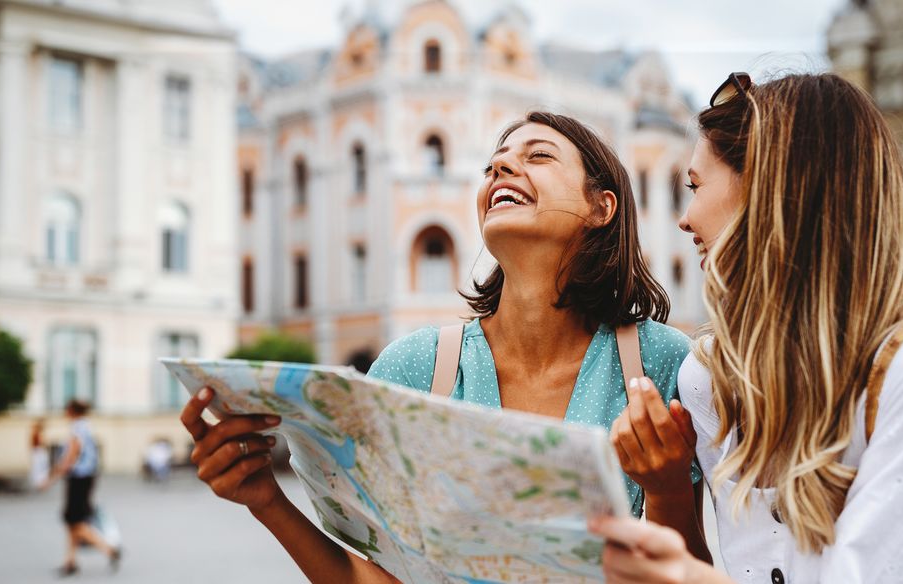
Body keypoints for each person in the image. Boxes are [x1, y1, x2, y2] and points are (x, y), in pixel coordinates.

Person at [180, 111, 705, 583]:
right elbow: (379, 578)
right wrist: (267, 501)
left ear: (601, 207)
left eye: (537, 156)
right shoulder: (416, 365)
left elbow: (698, 571)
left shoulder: (662, 362)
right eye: (493, 166)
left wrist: (668, 490)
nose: (500, 170)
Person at [592, 72, 903, 583]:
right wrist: (667, 490)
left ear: (772, 190)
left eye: (695, 186)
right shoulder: (711, 375)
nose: (685, 218)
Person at [40, 400, 122, 577]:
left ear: (71, 411)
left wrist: (50, 478)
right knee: (72, 521)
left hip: (79, 479)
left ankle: (110, 550)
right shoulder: (86, 427)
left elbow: (69, 458)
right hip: (85, 478)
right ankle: (70, 561)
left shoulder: (77, 429)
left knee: (76, 521)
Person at [29, 418, 50, 490]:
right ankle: (40, 483)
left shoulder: (35, 433)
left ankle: (40, 483)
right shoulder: (37, 434)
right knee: (41, 468)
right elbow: (42, 443)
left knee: (39, 468)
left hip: (37, 452)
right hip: (39, 452)